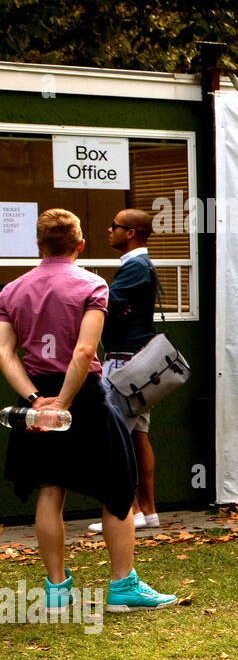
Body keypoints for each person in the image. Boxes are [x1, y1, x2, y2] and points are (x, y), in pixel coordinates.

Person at [0, 208, 175, 612]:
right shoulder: (92, 285)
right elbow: (84, 351)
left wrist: (34, 401)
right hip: (85, 394)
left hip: (39, 394)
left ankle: (56, 590)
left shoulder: (11, 291)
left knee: (50, 487)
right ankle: (122, 587)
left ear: (38, 245)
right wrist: (62, 402)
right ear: (80, 244)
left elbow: (6, 353)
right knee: (117, 488)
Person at [89, 208, 161, 533]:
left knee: (112, 437)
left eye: (114, 226)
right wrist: (117, 306)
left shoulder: (134, 267)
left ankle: (126, 513)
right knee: (136, 436)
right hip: (140, 362)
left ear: (130, 233)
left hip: (124, 363)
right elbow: (117, 305)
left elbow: (108, 304)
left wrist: (111, 305)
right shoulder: (140, 267)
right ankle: (148, 511)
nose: (109, 230)